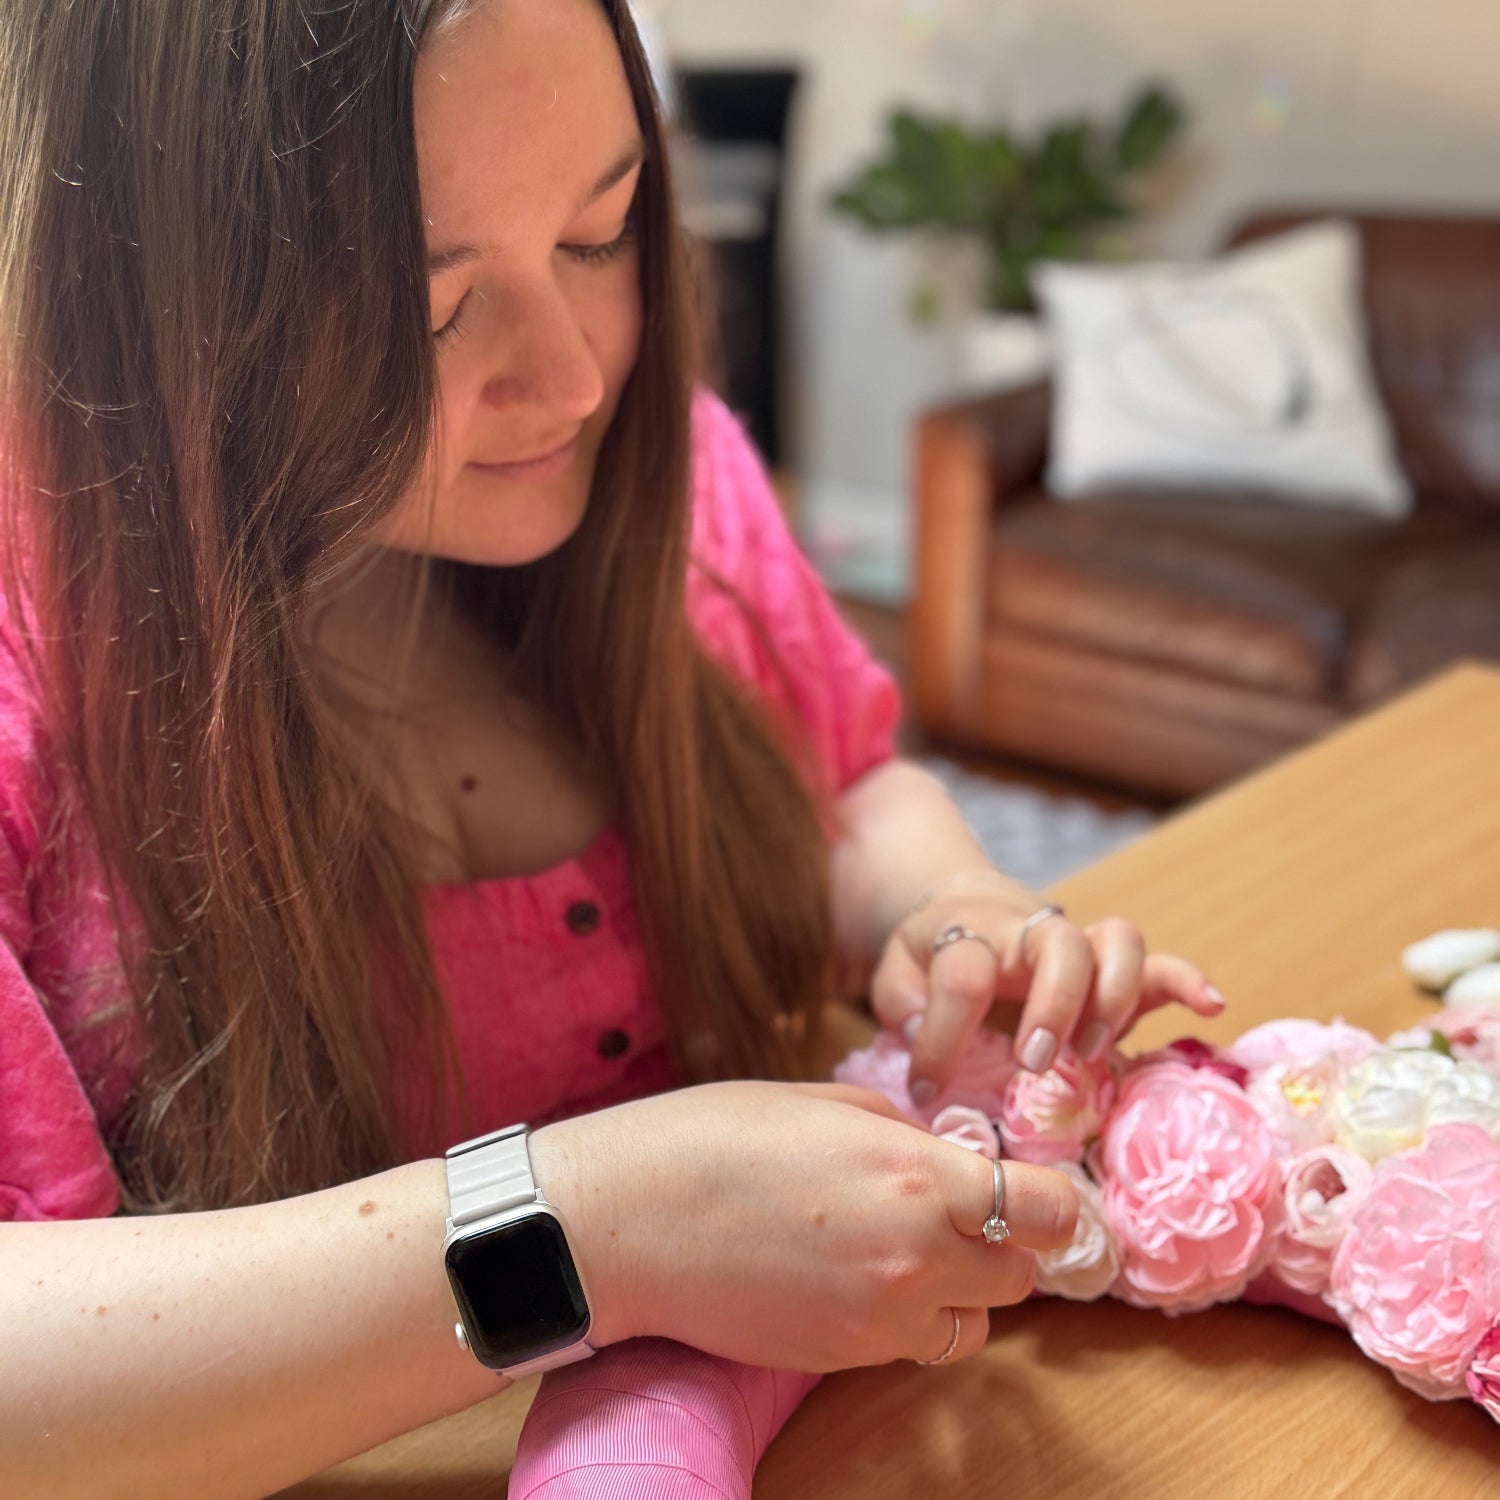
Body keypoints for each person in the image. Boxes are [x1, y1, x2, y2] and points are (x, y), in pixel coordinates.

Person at [0, 3, 1224, 1496]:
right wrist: (593, 1231)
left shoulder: (677, 481)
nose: (576, 380)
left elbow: (842, 779)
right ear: (148, 310)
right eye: (429, 312)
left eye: (602, 233)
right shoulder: (36, 652)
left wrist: (943, 905)